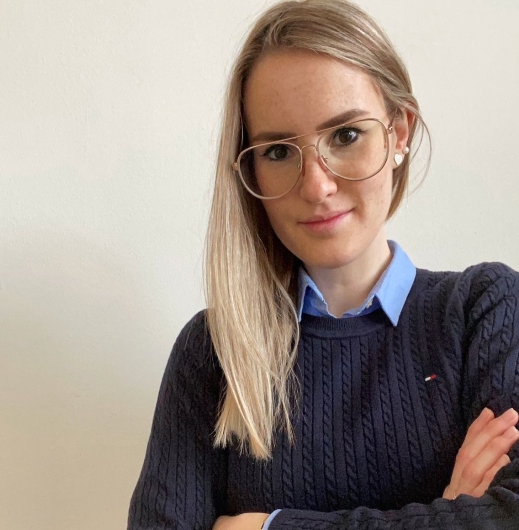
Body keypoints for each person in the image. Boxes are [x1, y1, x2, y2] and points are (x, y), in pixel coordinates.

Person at [128, 0, 519, 528]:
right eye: (278, 151)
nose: (317, 186)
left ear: (400, 132)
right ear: (251, 170)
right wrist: (449, 515)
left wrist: (266, 526)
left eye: (346, 135)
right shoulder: (213, 351)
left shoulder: (485, 312)